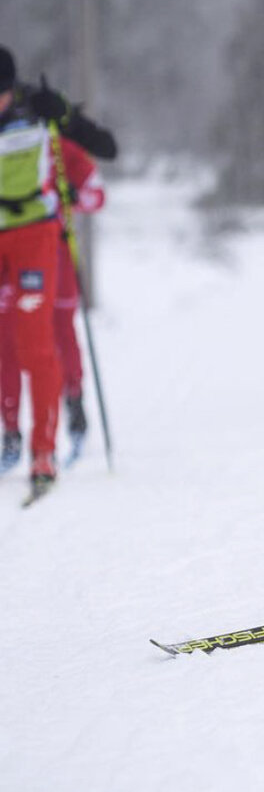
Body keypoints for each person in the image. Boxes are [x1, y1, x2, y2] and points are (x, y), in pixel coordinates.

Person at [0, 46, 117, 494]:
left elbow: (103, 153)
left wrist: (65, 114)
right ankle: (9, 427)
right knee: (7, 343)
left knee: (46, 337)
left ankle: (47, 444)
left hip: (39, 242)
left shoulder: (42, 114)